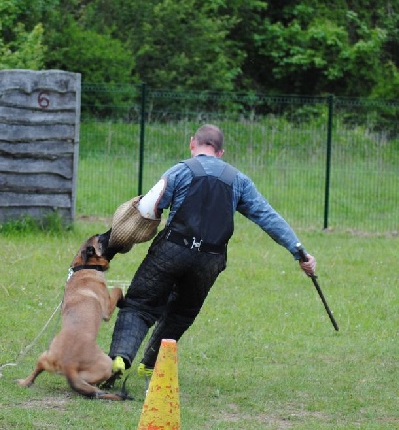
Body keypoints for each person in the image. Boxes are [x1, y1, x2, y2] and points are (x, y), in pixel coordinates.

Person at [107, 124, 317, 380]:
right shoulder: (239, 180)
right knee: (182, 312)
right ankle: (152, 364)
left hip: (172, 249)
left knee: (140, 303)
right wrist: (301, 253)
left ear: (192, 143)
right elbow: (268, 218)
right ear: (221, 152)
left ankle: (119, 358)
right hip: (209, 259)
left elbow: (150, 207)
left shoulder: (180, 170)